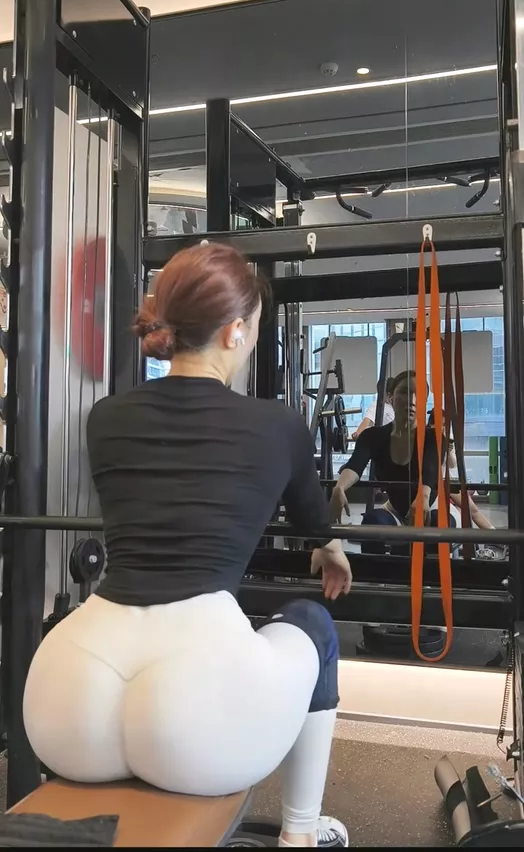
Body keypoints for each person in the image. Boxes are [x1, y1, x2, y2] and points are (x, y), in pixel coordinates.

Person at [23, 243, 352, 850]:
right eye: (253, 326)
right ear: (234, 331)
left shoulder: (105, 417)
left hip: (65, 701)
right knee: (313, 622)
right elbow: (315, 522)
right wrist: (330, 550)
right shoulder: (279, 425)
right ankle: (302, 833)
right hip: (195, 717)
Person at [330, 370, 451, 555]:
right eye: (404, 392)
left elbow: (430, 470)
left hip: (429, 506)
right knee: (372, 523)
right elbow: (355, 466)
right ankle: (377, 572)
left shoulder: (434, 438)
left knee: (442, 523)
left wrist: (424, 496)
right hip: (395, 509)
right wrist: (339, 487)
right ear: (391, 397)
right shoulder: (372, 437)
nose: (411, 400)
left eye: (419, 395)